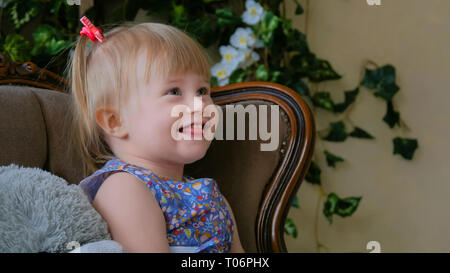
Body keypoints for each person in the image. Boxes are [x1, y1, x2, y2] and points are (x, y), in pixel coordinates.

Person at [67, 17, 245, 253]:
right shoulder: (124, 188)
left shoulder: (208, 194)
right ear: (115, 121)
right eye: (174, 91)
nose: (200, 105)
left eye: (202, 90)